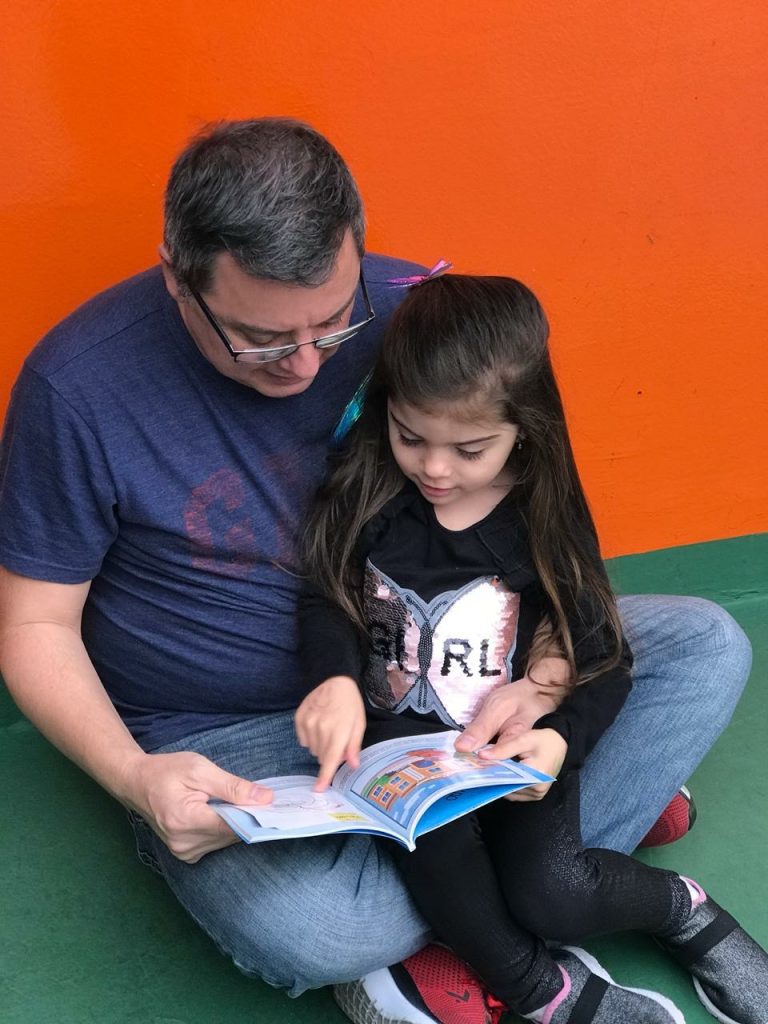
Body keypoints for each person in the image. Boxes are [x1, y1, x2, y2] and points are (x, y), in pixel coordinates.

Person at [0, 119, 753, 1021]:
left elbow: (539, 519)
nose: (306, 363)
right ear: (178, 278)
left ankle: (507, 873)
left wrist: (552, 674)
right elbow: (34, 624)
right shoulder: (77, 390)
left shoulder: (406, 311)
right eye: (262, 341)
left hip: (454, 676)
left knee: (705, 645)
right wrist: (135, 776)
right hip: (229, 728)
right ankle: (534, 867)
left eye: (333, 323)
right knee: (319, 931)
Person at [295, 273, 768, 1024]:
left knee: (552, 894)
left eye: (470, 448)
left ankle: (682, 910)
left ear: (524, 429)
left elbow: (603, 657)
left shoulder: (538, 515)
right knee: (442, 860)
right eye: (411, 436)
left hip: (508, 752)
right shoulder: (369, 489)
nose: (435, 468)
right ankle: (539, 992)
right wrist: (333, 682)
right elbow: (327, 595)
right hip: (402, 760)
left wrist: (557, 739)